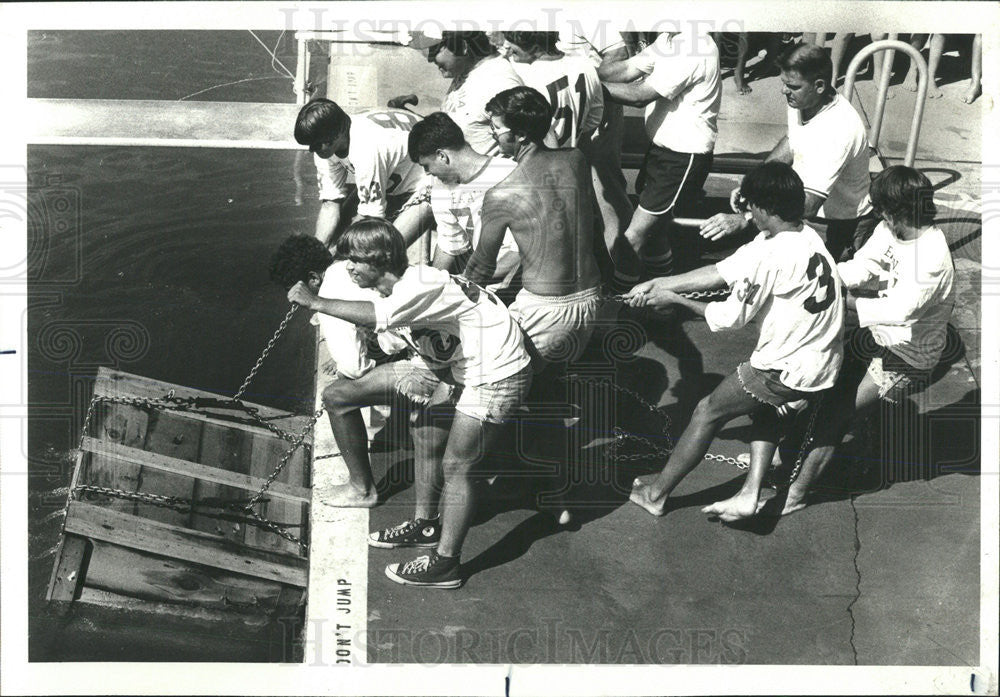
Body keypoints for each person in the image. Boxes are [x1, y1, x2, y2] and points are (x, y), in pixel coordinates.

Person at [278, 219, 532, 588]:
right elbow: (399, 339)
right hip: (460, 366)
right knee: (426, 433)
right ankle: (427, 525)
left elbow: (379, 318)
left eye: (355, 261)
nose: (347, 268)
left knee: (459, 466)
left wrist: (315, 302)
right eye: (346, 259)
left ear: (381, 260)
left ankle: (446, 566)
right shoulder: (393, 289)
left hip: (496, 372)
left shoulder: (415, 285)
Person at [624, 162, 844, 521]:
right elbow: (723, 271)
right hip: (822, 360)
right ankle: (749, 492)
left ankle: (655, 494)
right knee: (766, 408)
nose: (746, 213)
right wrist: (661, 283)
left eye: (749, 206)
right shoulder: (803, 235)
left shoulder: (769, 255)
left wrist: (675, 301)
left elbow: (728, 319)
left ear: (764, 207)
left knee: (707, 411)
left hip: (785, 367)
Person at [761, 166, 955, 516]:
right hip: (878, 336)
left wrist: (838, 300)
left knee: (836, 414)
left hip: (907, 356)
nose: (878, 215)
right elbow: (864, 265)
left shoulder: (932, 259)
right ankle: (781, 458)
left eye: (882, 210)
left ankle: (798, 492)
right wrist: (824, 278)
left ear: (897, 211)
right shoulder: (891, 228)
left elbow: (899, 311)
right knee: (819, 386)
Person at [463, 86, 608, 370]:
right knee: (544, 383)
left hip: (545, 311)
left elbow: (480, 270)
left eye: (497, 127)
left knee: (479, 380)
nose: (493, 134)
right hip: (591, 299)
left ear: (519, 135)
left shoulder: (502, 194)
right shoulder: (575, 159)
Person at [700, 43, 876, 264]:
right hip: (804, 208)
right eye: (784, 83)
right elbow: (793, 140)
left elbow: (809, 205)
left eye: (791, 86)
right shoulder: (803, 99)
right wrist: (755, 183)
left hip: (834, 224)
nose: (784, 90)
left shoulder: (837, 131)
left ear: (819, 85)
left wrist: (748, 217)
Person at [600, 28, 722, 289]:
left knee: (633, 237)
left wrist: (587, 86)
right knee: (655, 233)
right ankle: (663, 303)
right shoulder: (669, 37)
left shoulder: (695, 45)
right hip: (662, 150)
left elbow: (639, 95)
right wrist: (586, 72)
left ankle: (618, 303)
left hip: (682, 156)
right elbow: (628, 69)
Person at [406, 111, 521, 295]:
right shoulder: (441, 190)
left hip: (523, 287)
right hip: (481, 284)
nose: (427, 173)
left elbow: (523, 253)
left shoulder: (510, 174)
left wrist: (466, 279)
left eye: (426, 165)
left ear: (442, 155)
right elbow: (450, 245)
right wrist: (433, 290)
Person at [294, 98, 429, 247]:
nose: (313, 150)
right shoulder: (326, 144)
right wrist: (316, 251)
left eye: (317, 144)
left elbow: (371, 218)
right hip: (395, 168)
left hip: (428, 179)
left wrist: (333, 254)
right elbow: (330, 205)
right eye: (310, 145)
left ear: (337, 133)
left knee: (384, 252)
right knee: (337, 241)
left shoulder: (366, 148)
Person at [392, 31, 523, 156]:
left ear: (462, 47)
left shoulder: (500, 81)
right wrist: (408, 118)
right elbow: (457, 130)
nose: (430, 60)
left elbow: (524, 144)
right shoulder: (469, 71)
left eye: (435, 51)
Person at [501, 31, 604, 150]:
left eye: (513, 43)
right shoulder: (585, 65)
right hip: (569, 154)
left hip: (535, 159)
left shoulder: (526, 78)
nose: (506, 45)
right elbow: (594, 119)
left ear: (535, 48)